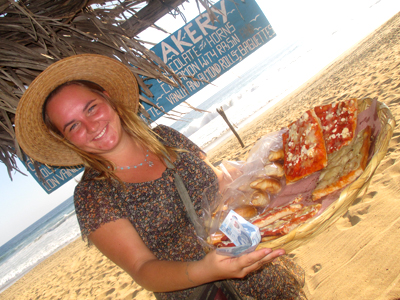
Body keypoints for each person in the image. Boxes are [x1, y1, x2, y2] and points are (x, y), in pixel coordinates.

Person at [15, 54, 306, 299]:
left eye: (91, 108)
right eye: (73, 126)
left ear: (108, 98)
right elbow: (143, 269)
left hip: (267, 272)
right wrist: (209, 269)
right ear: (67, 140)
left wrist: (283, 185)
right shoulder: (93, 195)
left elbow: (221, 192)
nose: (91, 127)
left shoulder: (165, 136)